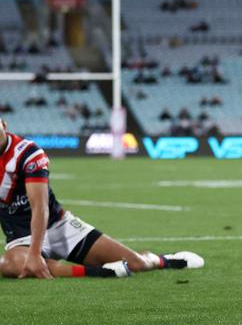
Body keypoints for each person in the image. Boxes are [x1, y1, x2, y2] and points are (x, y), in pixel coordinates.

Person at [0, 119, 204, 279]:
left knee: (136, 264)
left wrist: (35, 254)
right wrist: (32, 254)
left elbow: (40, 207)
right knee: (11, 264)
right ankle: (100, 272)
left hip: (60, 227)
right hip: (21, 237)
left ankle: (163, 260)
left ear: (4, 124)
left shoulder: (27, 152)